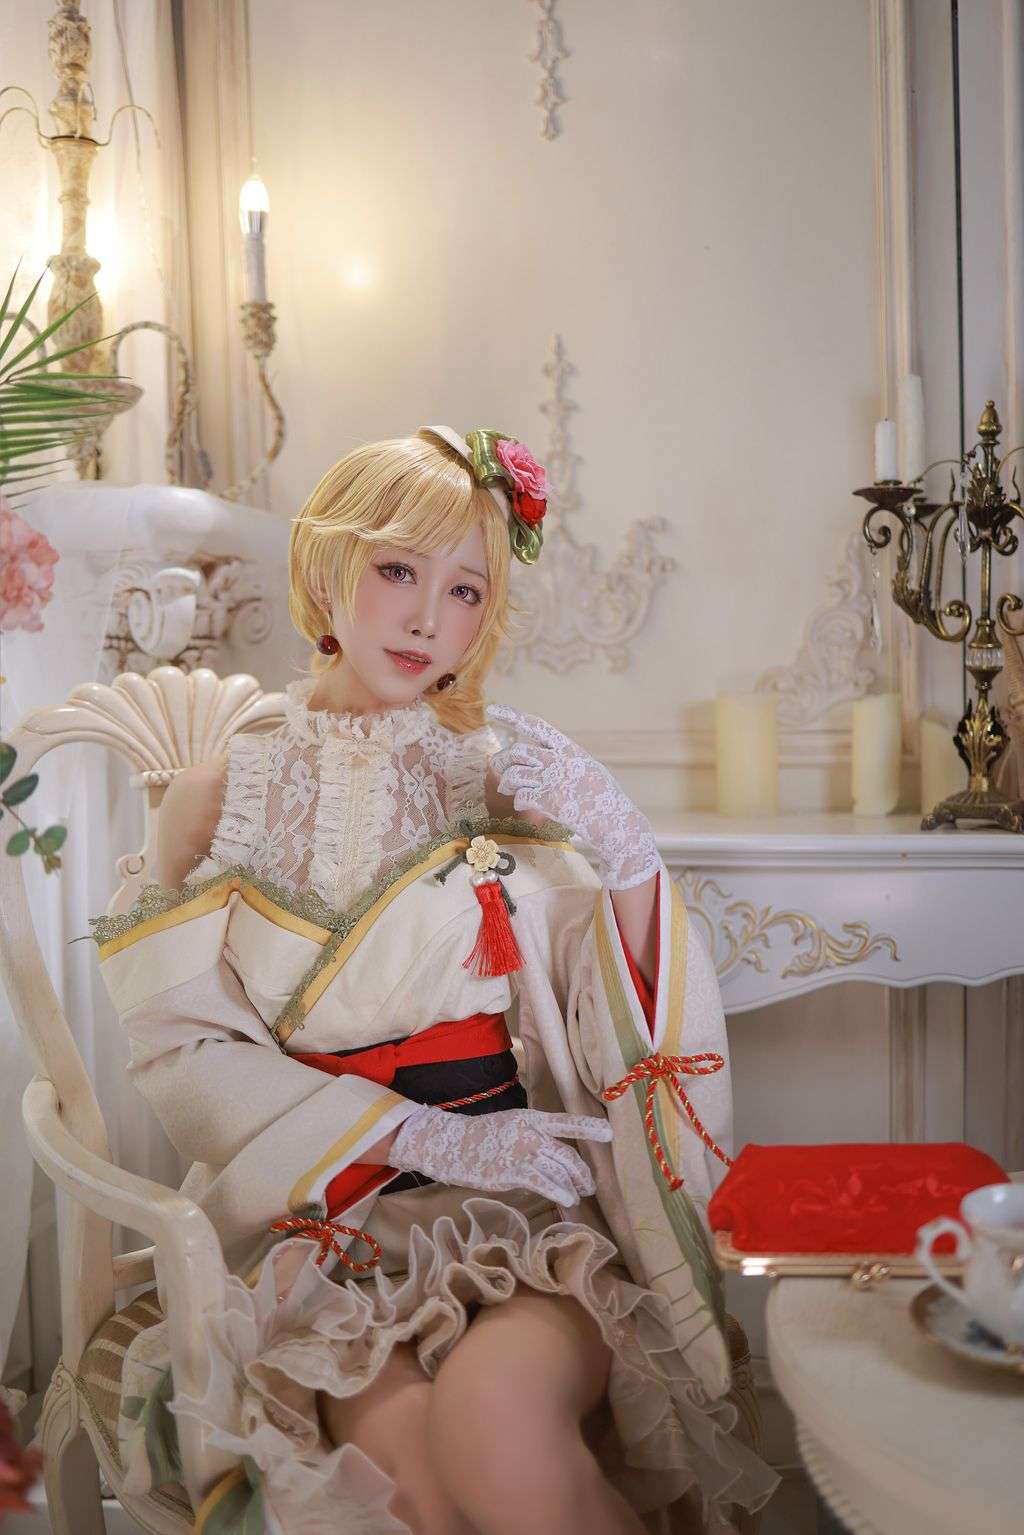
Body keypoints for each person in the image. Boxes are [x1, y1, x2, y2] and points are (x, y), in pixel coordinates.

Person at [91, 427, 777, 1535]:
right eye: (398, 570)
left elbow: (620, 1009)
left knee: (495, 1429)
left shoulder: (497, 769)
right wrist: (409, 1134)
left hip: (521, 1217)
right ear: (325, 565)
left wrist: (629, 854)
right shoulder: (220, 797)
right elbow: (180, 1049)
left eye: (465, 590)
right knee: (407, 1472)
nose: (426, 619)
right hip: (325, 1224)